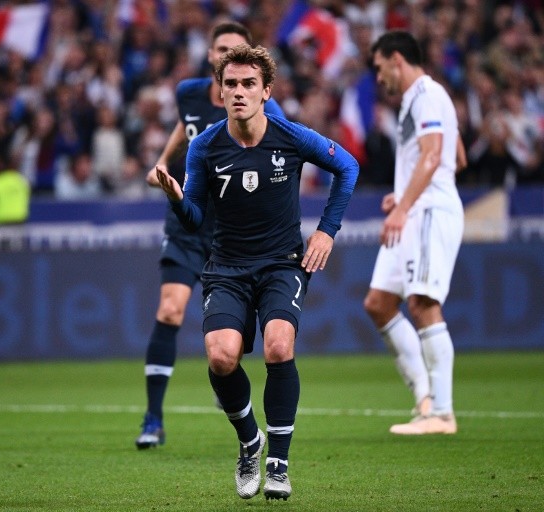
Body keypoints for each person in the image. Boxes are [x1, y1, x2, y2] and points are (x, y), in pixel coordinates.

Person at [156, 45, 359, 500]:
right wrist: (177, 200)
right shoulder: (205, 146)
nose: (239, 92)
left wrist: (326, 232)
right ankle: (250, 440)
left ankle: (279, 463)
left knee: (279, 345)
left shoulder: (291, 136)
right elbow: (195, 219)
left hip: (282, 263)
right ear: (220, 90)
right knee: (221, 358)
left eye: (249, 84)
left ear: (267, 91)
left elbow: (347, 166)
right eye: (231, 84)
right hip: (226, 267)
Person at [134, 21, 285, 450]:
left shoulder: (258, 105)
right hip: (188, 220)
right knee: (169, 309)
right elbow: (187, 127)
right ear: (210, 54)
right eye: (221, 48)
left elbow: (285, 146)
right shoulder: (189, 93)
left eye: (236, 50)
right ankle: (153, 418)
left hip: (232, 232)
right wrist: (163, 162)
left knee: (225, 351)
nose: (226, 55)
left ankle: (231, 393)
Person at [363, 31, 464, 435]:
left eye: (379, 66)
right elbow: (457, 153)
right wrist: (402, 194)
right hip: (414, 206)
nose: (378, 76)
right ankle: (425, 398)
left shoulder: (426, 95)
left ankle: (442, 413)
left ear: (397, 59)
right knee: (379, 302)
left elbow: (437, 153)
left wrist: (405, 206)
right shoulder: (418, 101)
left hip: (426, 213)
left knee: (422, 304)